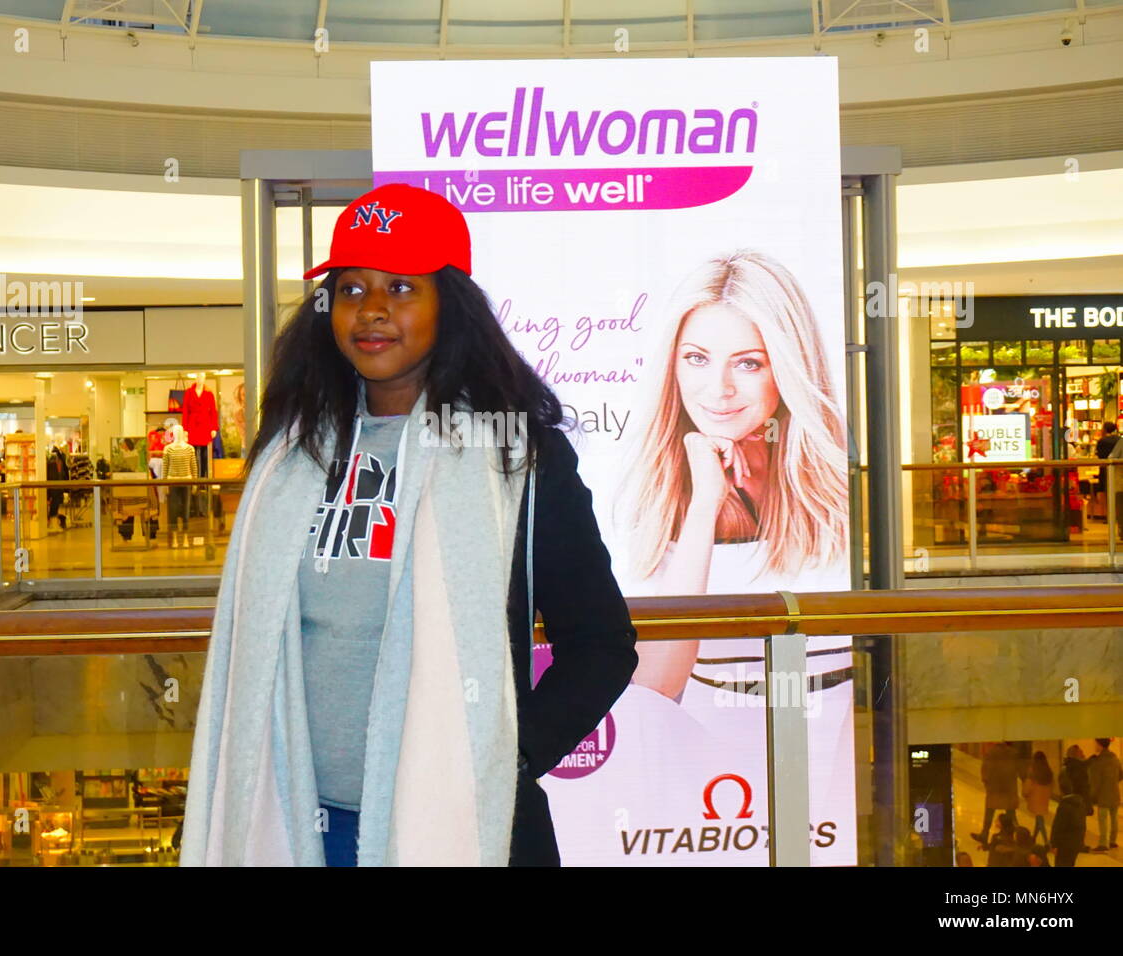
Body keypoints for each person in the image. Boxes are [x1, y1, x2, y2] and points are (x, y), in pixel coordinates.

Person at [179, 183, 637, 867]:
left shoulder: (514, 455)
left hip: (458, 822)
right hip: (301, 824)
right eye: (351, 288)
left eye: (401, 287)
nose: (371, 311)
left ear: (448, 305)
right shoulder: (289, 454)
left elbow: (602, 643)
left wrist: (503, 755)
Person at [620, 250, 848, 595]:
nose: (720, 389)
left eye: (749, 364)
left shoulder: (841, 487)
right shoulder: (646, 491)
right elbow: (666, 648)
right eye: (697, 358)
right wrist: (705, 504)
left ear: (789, 369)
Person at [971, 741, 1020, 849]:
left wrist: (987, 783)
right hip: (1009, 789)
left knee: (989, 812)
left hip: (995, 789)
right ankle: (1015, 836)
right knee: (1011, 814)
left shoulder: (991, 753)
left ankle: (984, 834)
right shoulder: (1013, 753)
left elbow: (985, 771)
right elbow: (1017, 770)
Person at [1087, 737, 1120, 850]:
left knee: (1103, 820)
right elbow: (1121, 774)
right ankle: (1112, 841)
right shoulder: (1115, 758)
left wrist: (1092, 796)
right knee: (1114, 818)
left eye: (1096, 744)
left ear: (1100, 745)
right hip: (1115, 793)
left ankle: (1103, 843)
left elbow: (1095, 781)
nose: (1095, 746)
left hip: (1103, 794)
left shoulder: (1099, 761)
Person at [1050, 790, 1088, 867]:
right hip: (1076, 843)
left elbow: (1058, 826)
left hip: (1064, 845)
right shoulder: (1081, 804)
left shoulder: (1064, 806)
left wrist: (1054, 844)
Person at [1023, 750, 1054, 845]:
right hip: (1044, 798)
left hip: (1035, 798)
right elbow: (1052, 785)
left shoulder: (1033, 770)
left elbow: (1028, 785)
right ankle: (1034, 837)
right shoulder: (1048, 771)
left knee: (1040, 820)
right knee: (1039, 817)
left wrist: (1025, 793)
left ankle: (1046, 842)